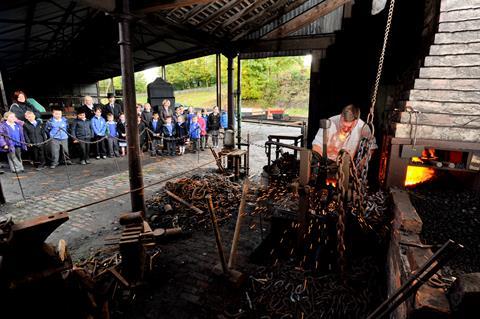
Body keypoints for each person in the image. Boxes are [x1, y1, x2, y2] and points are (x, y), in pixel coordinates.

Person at [312, 104, 377, 161]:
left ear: (356, 122)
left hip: (347, 165)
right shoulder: (330, 123)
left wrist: (361, 164)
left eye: (349, 127)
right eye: (343, 126)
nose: (345, 129)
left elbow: (372, 148)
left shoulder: (363, 127)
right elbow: (316, 145)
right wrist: (320, 162)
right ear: (340, 117)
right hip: (328, 162)